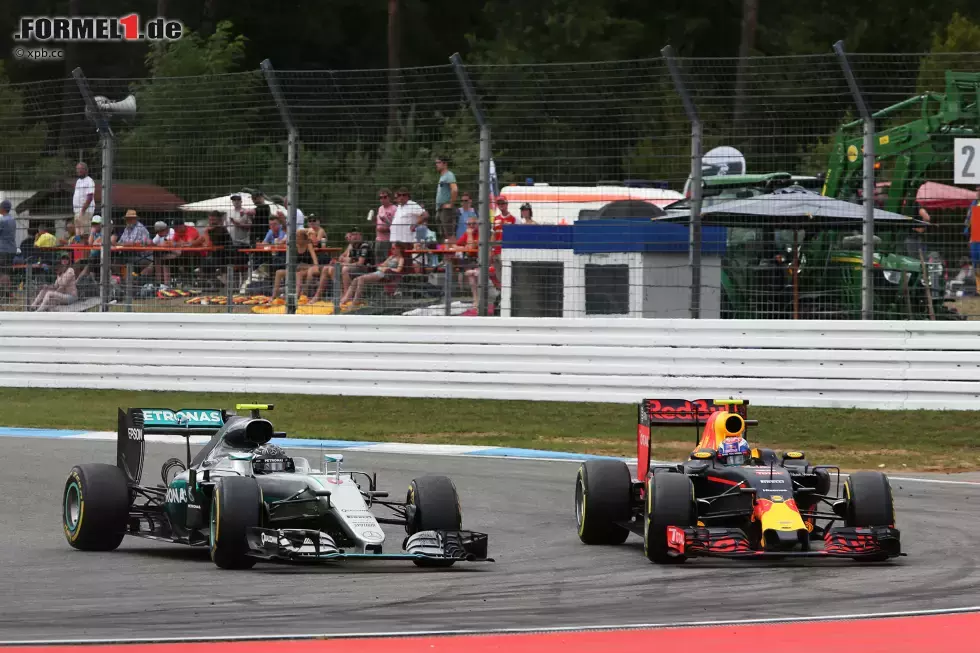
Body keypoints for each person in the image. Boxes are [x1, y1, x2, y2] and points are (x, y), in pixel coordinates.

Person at [309, 229, 371, 303]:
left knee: (344, 269)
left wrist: (341, 264)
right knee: (327, 268)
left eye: (357, 234)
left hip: (365, 269)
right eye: (353, 235)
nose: (355, 237)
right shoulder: (353, 247)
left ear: (361, 236)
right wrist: (337, 262)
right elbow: (349, 261)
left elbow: (360, 263)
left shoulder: (364, 246)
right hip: (354, 268)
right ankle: (317, 296)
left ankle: (346, 296)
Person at [337, 241, 404, 309]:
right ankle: (346, 299)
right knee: (355, 279)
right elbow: (383, 264)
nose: (391, 250)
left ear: (399, 249)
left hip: (385, 274)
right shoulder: (391, 257)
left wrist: (388, 269)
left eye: (393, 248)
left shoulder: (401, 259)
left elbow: (399, 270)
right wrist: (378, 266)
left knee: (361, 279)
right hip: (379, 272)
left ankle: (355, 301)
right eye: (391, 248)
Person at [269, 228, 319, 301]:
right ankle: (274, 296)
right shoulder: (294, 245)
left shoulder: (308, 244)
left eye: (297, 236)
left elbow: (314, 259)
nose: (295, 238)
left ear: (303, 238)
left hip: (307, 268)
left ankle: (298, 295)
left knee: (299, 274)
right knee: (278, 272)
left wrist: (314, 267)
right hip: (296, 268)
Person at [434, 155, 458, 242]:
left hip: (446, 209)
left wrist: (451, 204)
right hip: (440, 209)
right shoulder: (442, 176)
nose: (436, 164)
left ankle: (454, 253)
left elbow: (454, 189)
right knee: (444, 234)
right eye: (436, 163)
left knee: (450, 234)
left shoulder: (449, 175)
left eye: (438, 162)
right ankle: (448, 253)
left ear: (445, 164)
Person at [375, 188, 397, 263]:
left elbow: (396, 226)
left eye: (385, 197)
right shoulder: (380, 208)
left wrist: (386, 229)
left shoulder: (394, 209)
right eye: (380, 197)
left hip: (388, 240)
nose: (382, 199)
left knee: (387, 261)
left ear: (389, 197)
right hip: (378, 239)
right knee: (378, 261)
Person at [73, 162, 95, 237]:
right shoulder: (78, 181)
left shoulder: (89, 181)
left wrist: (83, 210)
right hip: (77, 211)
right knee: (78, 232)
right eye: (77, 169)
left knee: (84, 232)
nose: (78, 171)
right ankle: (79, 247)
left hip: (85, 211)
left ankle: (85, 248)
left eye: (80, 169)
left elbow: (90, 197)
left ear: (86, 170)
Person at [0, 199, 16, 301]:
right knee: (6, 271)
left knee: (2, 272)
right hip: (11, 249)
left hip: (2, 249)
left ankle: (4, 294)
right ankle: (8, 293)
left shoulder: (2, 221)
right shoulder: (12, 220)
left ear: (2, 208)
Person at [966, 186, 980, 292]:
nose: (978, 192)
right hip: (975, 238)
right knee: (976, 265)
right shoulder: (974, 203)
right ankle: (979, 289)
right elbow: (968, 221)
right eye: (977, 190)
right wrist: (970, 237)